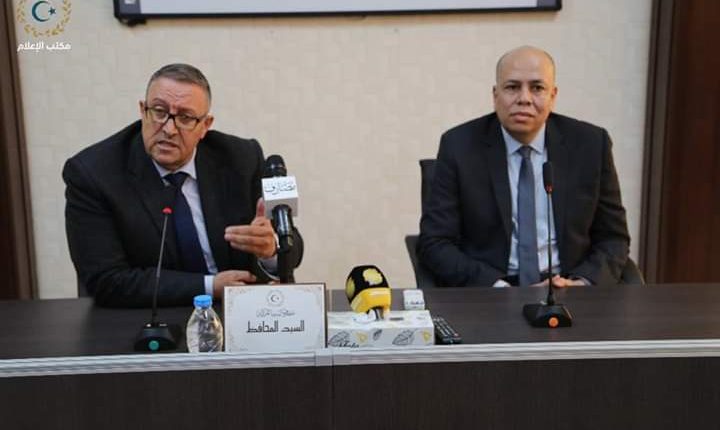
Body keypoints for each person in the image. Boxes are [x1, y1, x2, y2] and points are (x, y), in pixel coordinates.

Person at [64, 63, 303, 307]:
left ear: (205, 126)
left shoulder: (241, 159)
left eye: (185, 118)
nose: (169, 129)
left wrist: (271, 250)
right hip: (145, 316)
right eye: (159, 111)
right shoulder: (94, 174)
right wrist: (209, 287)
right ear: (143, 111)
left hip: (238, 314)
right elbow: (105, 281)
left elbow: (292, 246)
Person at [417, 46, 629, 288]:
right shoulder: (459, 146)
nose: (524, 99)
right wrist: (498, 288)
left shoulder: (590, 145)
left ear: (553, 95)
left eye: (537, 88)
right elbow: (435, 243)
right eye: (512, 87)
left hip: (568, 286)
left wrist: (581, 284)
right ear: (495, 95)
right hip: (491, 289)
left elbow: (613, 238)